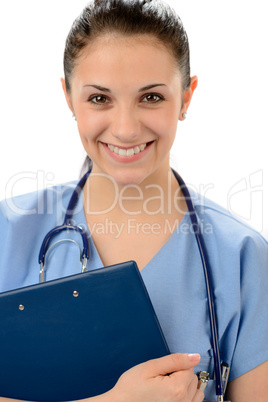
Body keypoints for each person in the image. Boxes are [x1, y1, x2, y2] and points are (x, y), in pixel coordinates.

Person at [0, 0, 268, 401]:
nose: (125, 128)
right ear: (69, 97)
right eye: (98, 99)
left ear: (187, 97)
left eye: (152, 98)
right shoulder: (7, 231)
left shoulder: (242, 258)